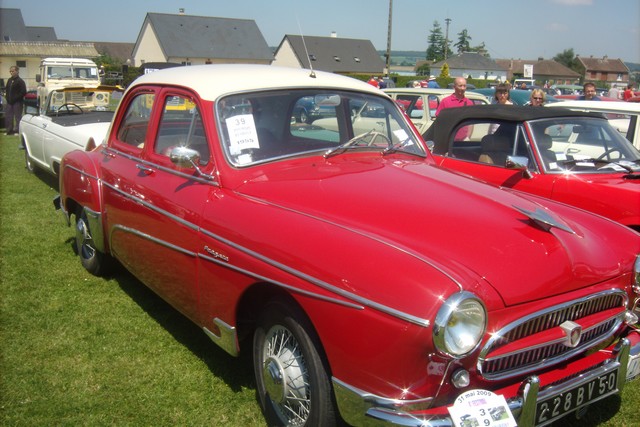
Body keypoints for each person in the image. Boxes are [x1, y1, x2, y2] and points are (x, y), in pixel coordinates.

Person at [4, 65, 27, 136]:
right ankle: (9, 131)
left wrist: (15, 98)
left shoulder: (20, 81)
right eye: (10, 71)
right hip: (9, 102)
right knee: (8, 116)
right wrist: (7, 98)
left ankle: (17, 131)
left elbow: (23, 92)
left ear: (17, 71)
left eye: (13, 71)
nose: (11, 73)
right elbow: (7, 90)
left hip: (17, 102)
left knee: (17, 117)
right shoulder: (9, 80)